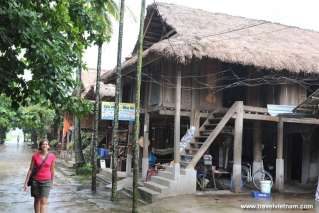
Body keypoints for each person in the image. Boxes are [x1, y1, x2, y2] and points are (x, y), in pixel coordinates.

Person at [24, 139, 56, 213]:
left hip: (47, 181)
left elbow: (52, 170)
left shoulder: (52, 156)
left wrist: (52, 182)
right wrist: (26, 183)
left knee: (44, 201)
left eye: (46, 144)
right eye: (43, 144)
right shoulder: (35, 156)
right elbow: (30, 169)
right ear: (40, 146)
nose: (44, 145)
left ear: (48, 146)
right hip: (35, 181)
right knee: (37, 200)